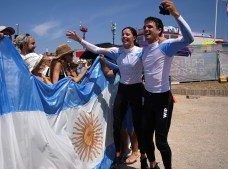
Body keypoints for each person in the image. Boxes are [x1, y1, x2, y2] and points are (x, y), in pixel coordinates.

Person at [67, 27, 147, 169]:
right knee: (117, 124)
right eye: (122, 34)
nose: (124, 36)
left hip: (136, 90)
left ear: (134, 37)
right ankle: (117, 155)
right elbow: (96, 49)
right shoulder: (118, 52)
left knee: (137, 126)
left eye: (127, 34)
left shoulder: (141, 52)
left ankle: (142, 157)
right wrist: (79, 39)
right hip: (123, 90)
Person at [140, 1, 194, 169]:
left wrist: (175, 13)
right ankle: (153, 165)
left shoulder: (166, 47)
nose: (146, 29)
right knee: (146, 137)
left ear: (158, 31)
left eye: (150, 27)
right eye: (144, 27)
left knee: (161, 142)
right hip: (148, 98)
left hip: (163, 100)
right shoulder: (144, 50)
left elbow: (189, 38)